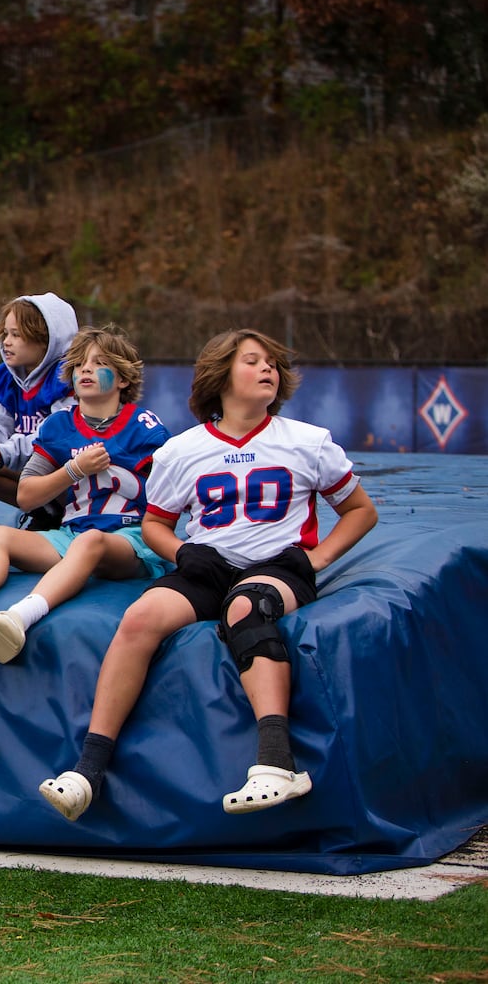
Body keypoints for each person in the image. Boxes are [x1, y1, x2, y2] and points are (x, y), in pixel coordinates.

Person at [39, 329, 378, 822]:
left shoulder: (308, 441)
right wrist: (181, 552)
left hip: (277, 566)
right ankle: (88, 769)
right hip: (208, 565)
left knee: (247, 608)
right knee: (140, 617)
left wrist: (319, 559)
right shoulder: (183, 449)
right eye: (252, 361)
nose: (268, 370)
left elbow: (360, 510)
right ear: (219, 375)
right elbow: (154, 523)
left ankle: (277, 763)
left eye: (272, 364)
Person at [0, 327, 171, 662]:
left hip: (129, 542)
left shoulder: (144, 426)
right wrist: (74, 470)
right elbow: (26, 495)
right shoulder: (58, 426)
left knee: (91, 541)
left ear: (123, 379)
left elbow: (172, 491)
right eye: (80, 363)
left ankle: (19, 617)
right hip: (73, 534)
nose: (85, 369)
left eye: (99, 364)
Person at [0, 293, 79, 529]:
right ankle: (46, 512)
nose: (6, 341)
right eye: (6, 333)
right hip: (38, 472)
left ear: (45, 339)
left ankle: (74, 512)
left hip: (72, 476)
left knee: (35, 460)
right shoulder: (15, 378)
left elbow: (52, 438)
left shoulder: (66, 379)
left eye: (16, 335)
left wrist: (1, 453)